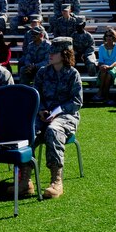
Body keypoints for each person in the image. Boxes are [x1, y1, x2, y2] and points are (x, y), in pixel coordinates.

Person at [33, 37, 83, 200]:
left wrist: (56, 112)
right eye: (50, 51)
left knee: (54, 130)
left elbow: (77, 102)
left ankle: (56, 181)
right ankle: (25, 179)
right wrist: (41, 110)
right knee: (28, 130)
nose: (50, 55)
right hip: (44, 115)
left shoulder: (73, 74)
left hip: (66, 116)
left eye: (54, 52)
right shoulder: (42, 72)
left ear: (65, 54)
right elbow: (36, 96)